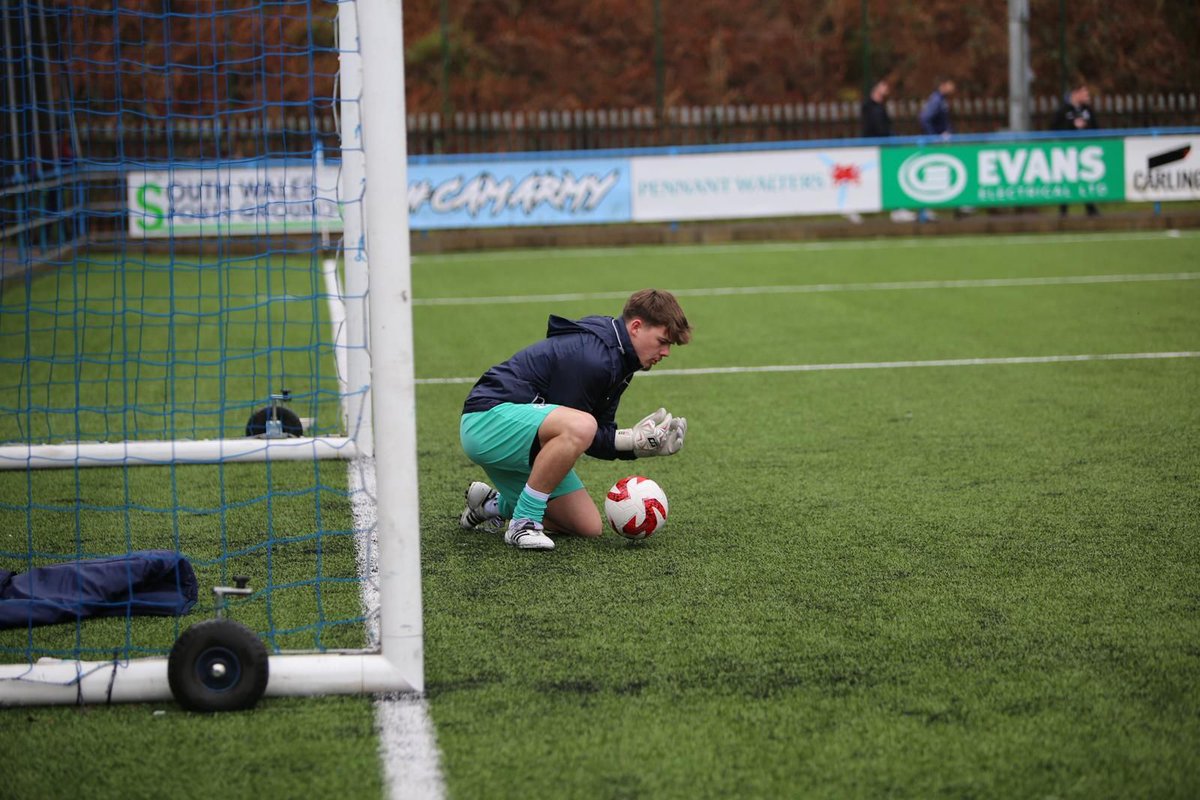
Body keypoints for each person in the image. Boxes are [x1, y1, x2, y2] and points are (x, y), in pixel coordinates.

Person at [458, 289, 692, 550]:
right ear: (636, 327)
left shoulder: (620, 360)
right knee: (582, 425)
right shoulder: (595, 357)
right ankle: (524, 522)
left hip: (523, 437)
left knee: (587, 526)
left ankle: (490, 504)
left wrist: (638, 446)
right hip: (486, 421)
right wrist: (628, 440)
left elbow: (592, 436)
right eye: (662, 341)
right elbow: (580, 428)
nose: (667, 352)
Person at [862, 79, 917, 222]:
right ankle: (854, 207)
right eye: (883, 85)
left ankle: (898, 209)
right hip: (875, 149)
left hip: (885, 148)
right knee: (873, 180)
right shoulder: (869, 107)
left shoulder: (879, 106)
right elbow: (874, 129)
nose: (887, 88)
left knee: (891, 178)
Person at [1051, 81, 1101, 218]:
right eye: (1084, 92)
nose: (1087, 95)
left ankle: (1090, 208)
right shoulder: (1063, 110)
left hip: (1085, 152)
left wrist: (1085, 127)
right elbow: (1054, 129)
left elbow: (1097, 128)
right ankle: (1063, 211)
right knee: (1067, 180)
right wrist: (1072, 125)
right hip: (1067, 152)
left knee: (1085, 179)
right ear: (1075, 93)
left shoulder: (1088, 110)